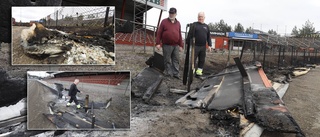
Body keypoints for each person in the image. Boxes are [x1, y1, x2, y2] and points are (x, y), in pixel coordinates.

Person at [156, 7, 183, 80]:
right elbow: (159, 33)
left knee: (176, 60)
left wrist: (181, 45)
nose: (171, 14)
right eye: (170, 13)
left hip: (176, 45)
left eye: (173, 13)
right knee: (167, 60)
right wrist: (158, 43)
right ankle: (168, 73)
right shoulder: (164, 21)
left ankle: (176, 74)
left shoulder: (178, 23)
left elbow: (179, 34)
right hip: (167, 45)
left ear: (175, 14)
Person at [186, 12, 212, 76]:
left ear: (204, 17)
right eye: (199, 16)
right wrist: (188, 43)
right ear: (197, 17)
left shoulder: (206, 26)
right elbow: (190, 35)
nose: (200, 18)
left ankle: (199, 73)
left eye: (201, 16)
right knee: (193, 60)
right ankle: (192, 72)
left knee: (202, 60)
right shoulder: (194, 25)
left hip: (203, 46)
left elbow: (209, 36)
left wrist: (209, 45)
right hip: (195, 46)